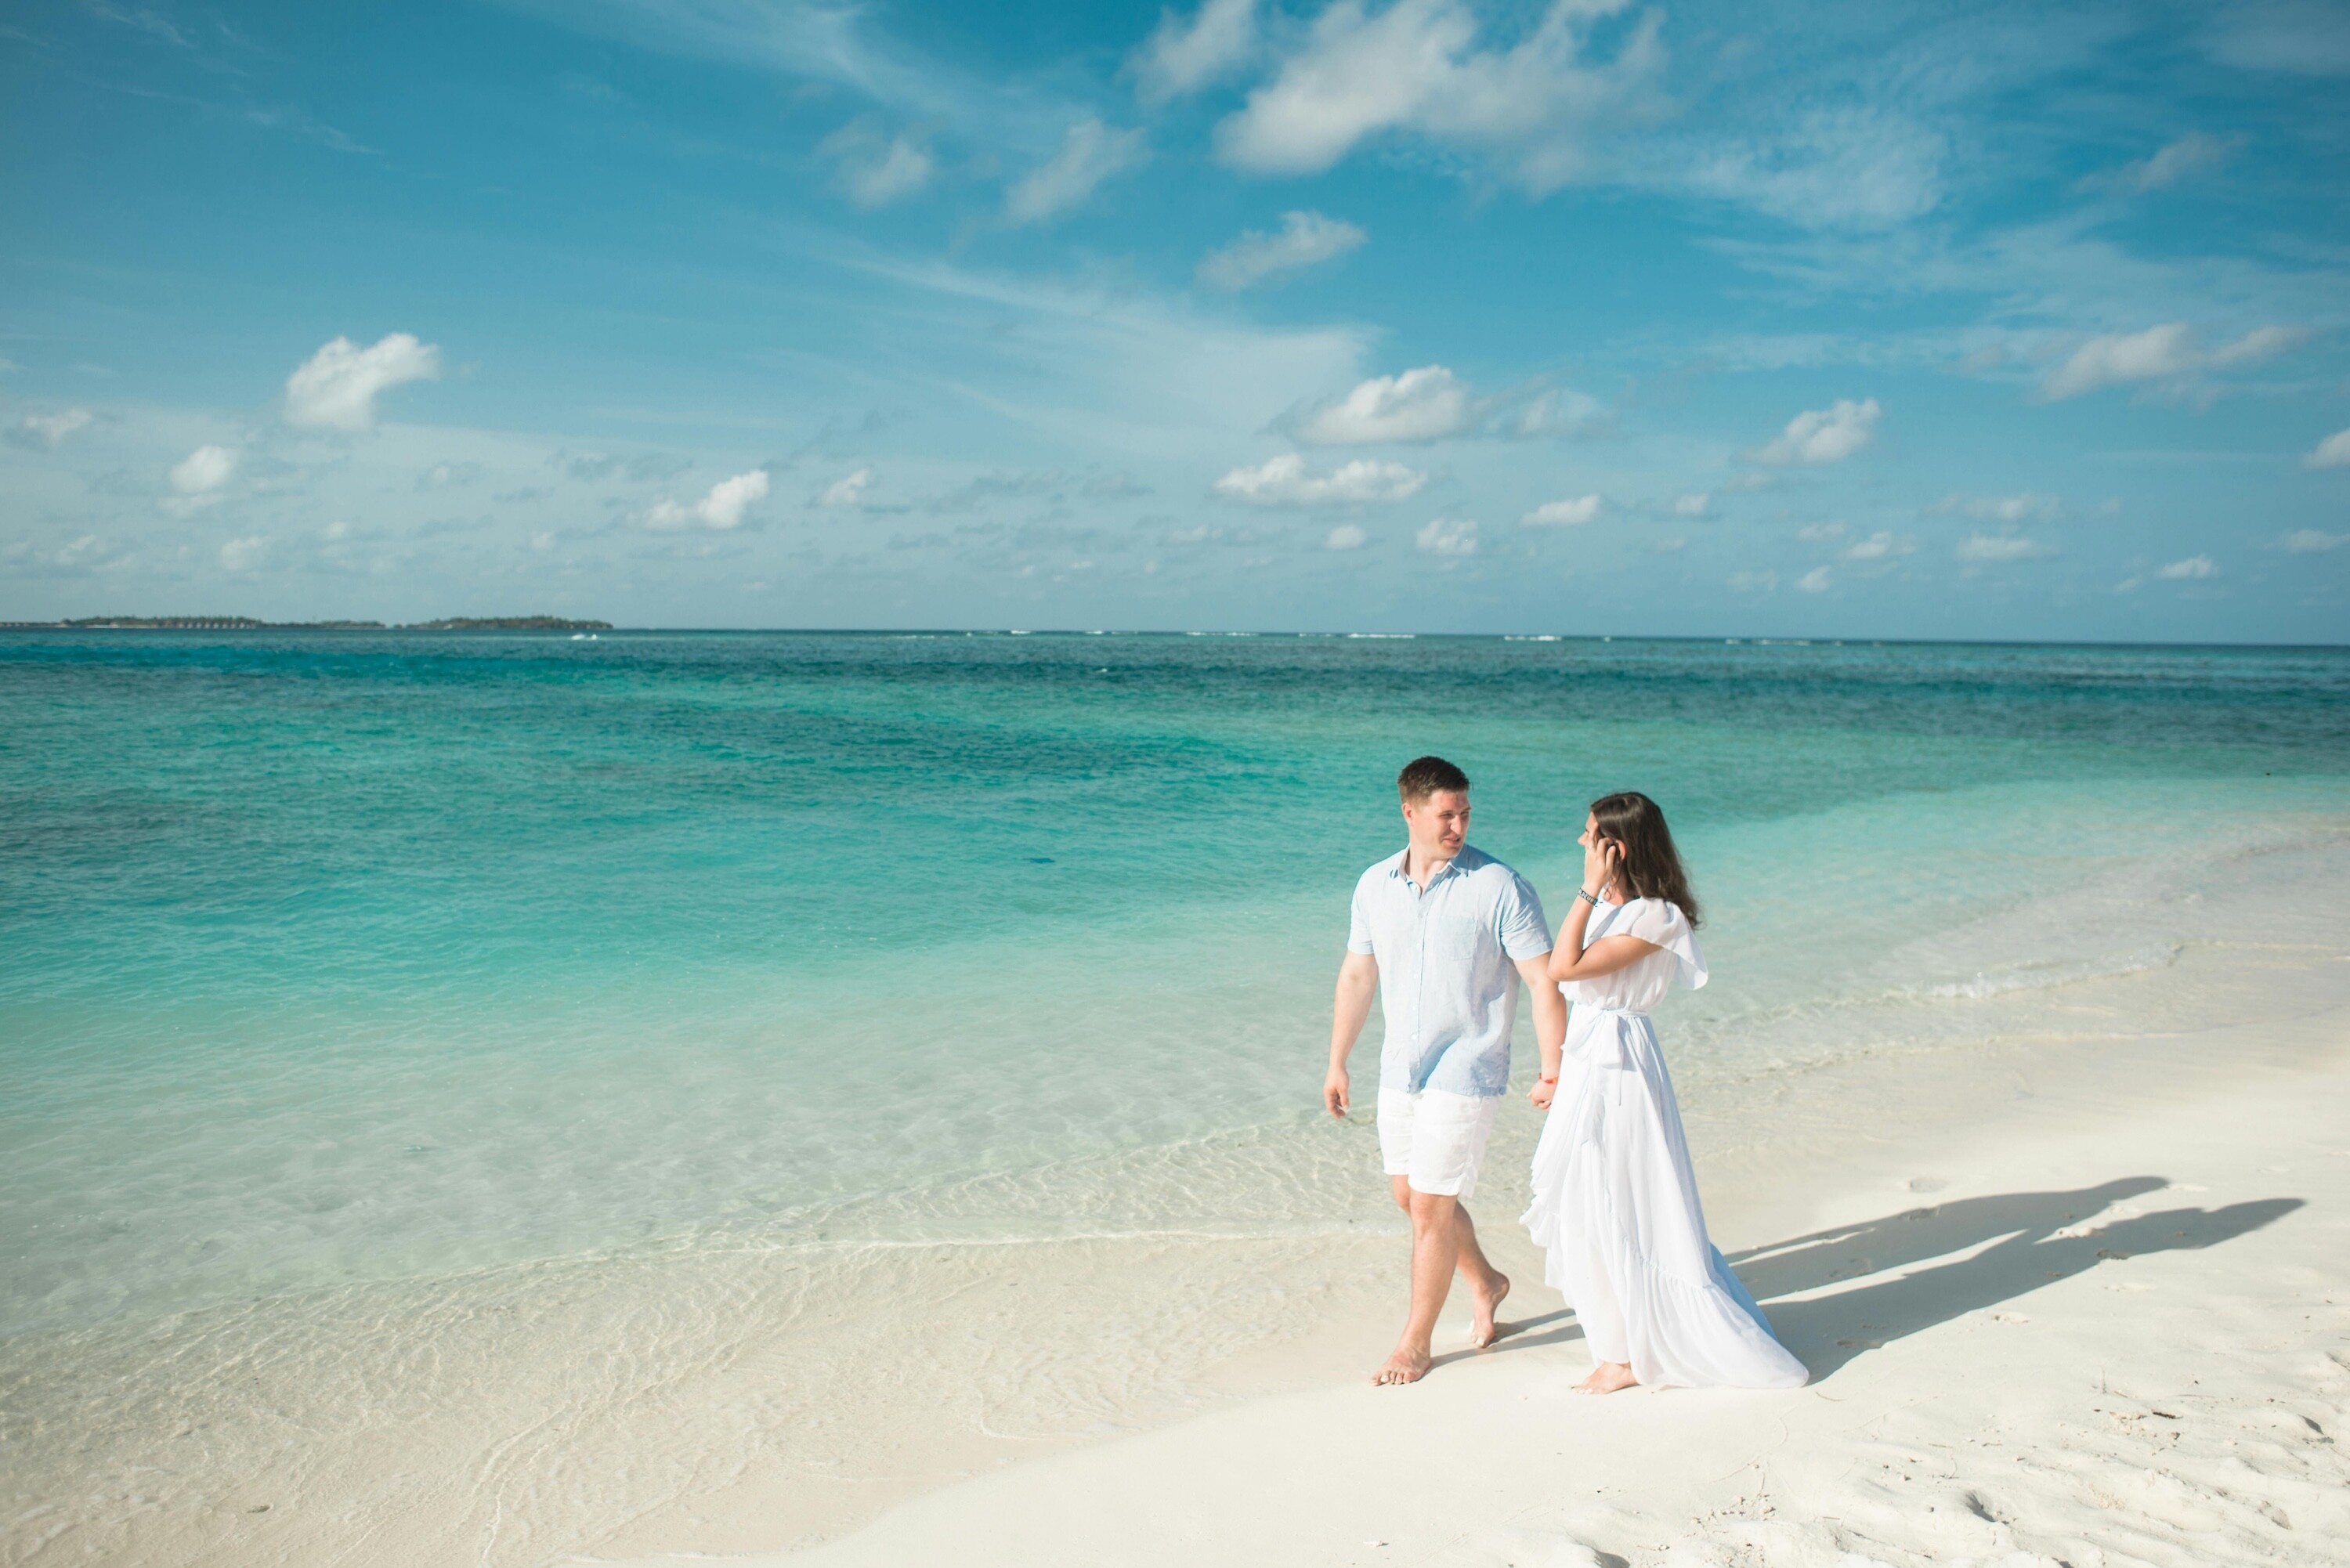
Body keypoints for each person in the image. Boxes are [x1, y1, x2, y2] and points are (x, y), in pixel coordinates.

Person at [1521, 791, 1809, 1393]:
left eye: (1589, 835)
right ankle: (1615, 1346)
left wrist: (1585, 889)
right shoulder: (1609, 906)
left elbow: (1563, 969)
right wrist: (1559, 1077)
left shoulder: (1658, 916)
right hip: (1590, 1060)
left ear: (1614, 847)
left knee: (1620, 1200)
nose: (1580, 843)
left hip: (1622, 1067)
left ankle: (1629, 1356)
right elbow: (1570, 980)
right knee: (1582, 1202)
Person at [1325, 756, 1567, 1386]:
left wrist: (1552, 1068)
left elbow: (1543, 980)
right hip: (1400, 1067)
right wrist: (1337, 1061)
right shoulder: (1374, 884)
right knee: (1409, 1197)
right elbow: (1357, 974)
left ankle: (1414, 1344)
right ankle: (1487, 1281)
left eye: (1464, 813)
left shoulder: (1500, 886)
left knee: (1432, 1206)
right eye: (1445, 814)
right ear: (1410, 813)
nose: (1458, 825)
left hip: (1469, 1065)